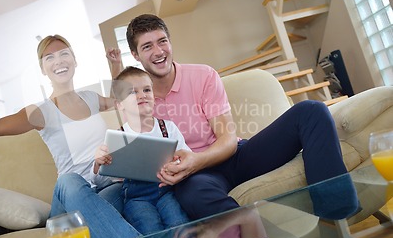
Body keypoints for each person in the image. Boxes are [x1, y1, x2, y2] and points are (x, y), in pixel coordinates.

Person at [106, 14, 358, 221]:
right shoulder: (140, 99)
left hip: (235, 155)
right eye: (147, 46)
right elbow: (129, 135)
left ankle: (337, 212)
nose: (158, 51)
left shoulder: (203, 76)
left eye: (162, 41)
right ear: (136, 55)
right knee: (193, 195)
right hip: (197, 177)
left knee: (312, 111)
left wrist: (196, 160)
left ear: (171, 42)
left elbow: (226, 139)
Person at [0, 35, 149, 238]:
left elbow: (121, 101)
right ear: (43, 69)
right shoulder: (42, 111)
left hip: (103, 190)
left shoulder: (90, 98)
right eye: (49, 57)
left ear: (74, 60)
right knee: (70, 181)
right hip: (68, 198)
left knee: (124, 192)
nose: (58, 60)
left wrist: (115, 65)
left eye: (64, 53)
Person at [94, 66, 189, 235]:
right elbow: (102, 179)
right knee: (150, 229)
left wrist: (178, 164)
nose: (142, 95)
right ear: (119, 105)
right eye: (132, 92)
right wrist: (99, 162)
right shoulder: (117, 137)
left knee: (179, 223)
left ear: (154, 96)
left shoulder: (168, 128)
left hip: (167, 191)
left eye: (146, 90)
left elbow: (187, 158)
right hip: (136, 198)